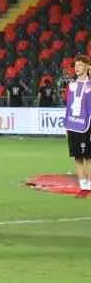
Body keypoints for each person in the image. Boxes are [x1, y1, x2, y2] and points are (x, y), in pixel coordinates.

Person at [65, 54, 91, 191]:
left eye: (80, 64)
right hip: (72, 125)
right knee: (77, 155)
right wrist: (66, 126)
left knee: (88, 155)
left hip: (86, 125)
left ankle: (89, 180)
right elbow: (68, 106)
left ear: (87, 66)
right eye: (75, 65)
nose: (77, 67)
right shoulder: (71, 85)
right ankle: (82, 182)